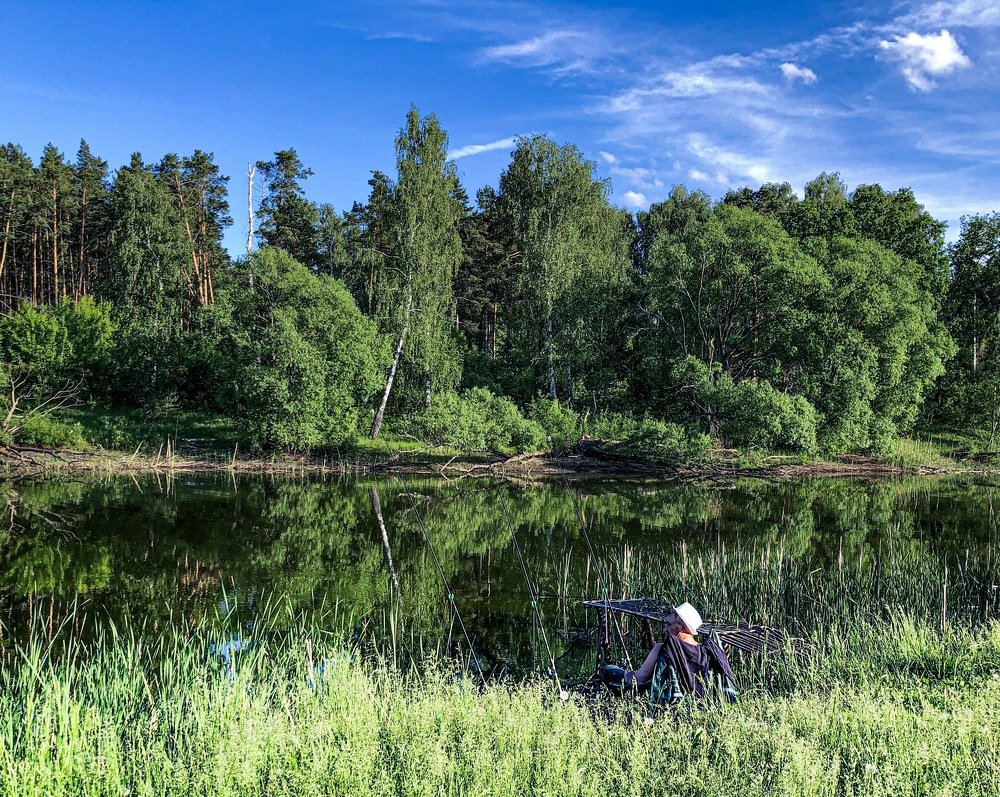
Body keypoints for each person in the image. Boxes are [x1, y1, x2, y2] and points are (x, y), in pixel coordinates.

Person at [600, 601, 738, 703]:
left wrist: (619, 671)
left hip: (671, 704)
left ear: (682, 626)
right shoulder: (708, 652)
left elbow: (639, 680)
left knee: (608, 670)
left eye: (668, 624)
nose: (665, 630)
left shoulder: (665, 648)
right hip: (702, 704)